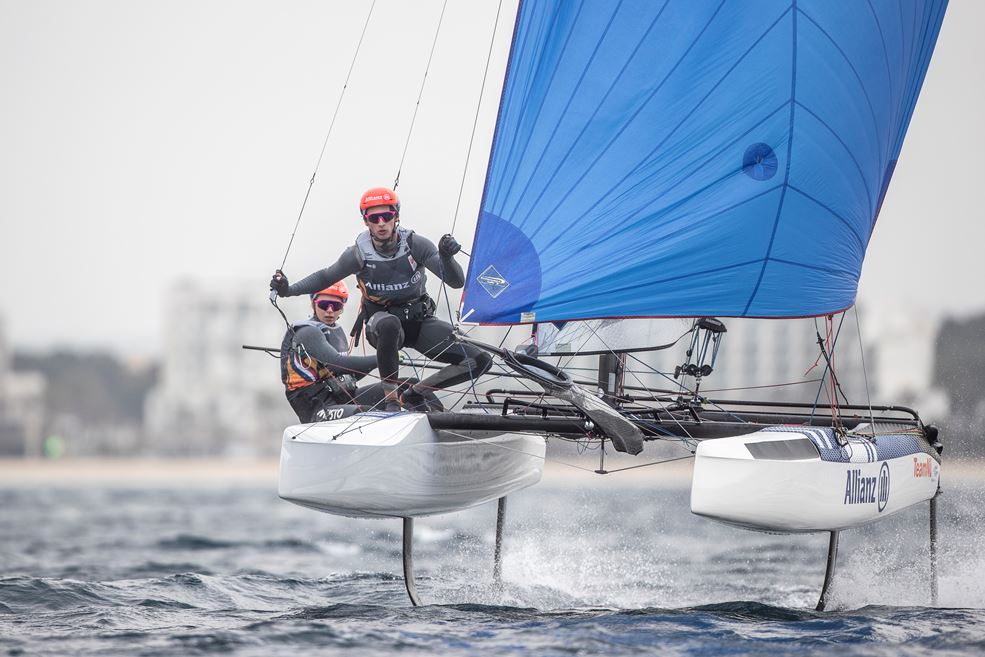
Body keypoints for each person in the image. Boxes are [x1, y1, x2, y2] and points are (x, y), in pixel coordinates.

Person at [271, 186, 491, 411]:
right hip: (382, 326)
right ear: (366, 222)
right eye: (374, 218)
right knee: (389, 324)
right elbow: (326, 276)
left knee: (480, 360)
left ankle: (416, 393)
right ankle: (392, 400)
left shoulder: (415, 245)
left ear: (396, 216)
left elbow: (455, 281)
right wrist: (288, 290)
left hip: (418, 322)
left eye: (386, 216)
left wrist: (446, 257)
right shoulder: (357, 254)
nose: (381, 223)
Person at [280, 281, 384, 422]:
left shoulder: (337, 331)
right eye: (324, 305)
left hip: (342, 400)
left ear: (342, 309)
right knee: (364, 413)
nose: (329, 310)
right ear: (313, 304)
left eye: (336, 306)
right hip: (318, 409)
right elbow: (336, 364)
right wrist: (383, 357)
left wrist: (384, 362)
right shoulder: (307, 332)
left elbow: (347, 375)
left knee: (404, 388)